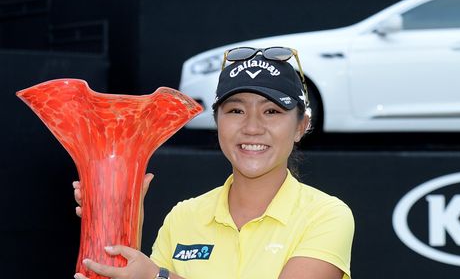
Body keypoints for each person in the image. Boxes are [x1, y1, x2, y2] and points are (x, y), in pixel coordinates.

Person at [73, 46, 354, 279]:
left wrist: (158, 277)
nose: (252, 127)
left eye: (271, 111)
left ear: (300, 126)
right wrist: (120, 224)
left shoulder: (326, 215)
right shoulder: (183, 216)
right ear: (217, 122)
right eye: (236, 110)